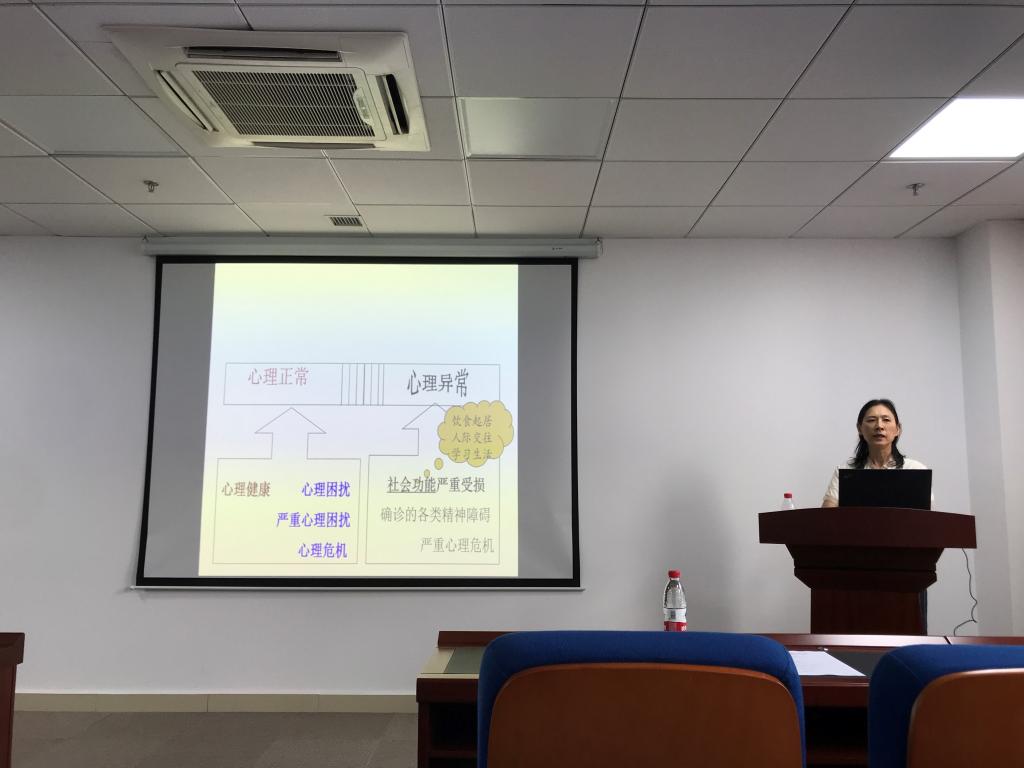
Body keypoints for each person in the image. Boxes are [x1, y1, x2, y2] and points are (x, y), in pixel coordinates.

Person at [821, 398, 928, 508]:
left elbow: (927, 516)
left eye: (886, 420)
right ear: (859, 428)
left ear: (898, 429)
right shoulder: (846, 470)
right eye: (871, 420)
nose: (879, 426)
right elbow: (827, 514)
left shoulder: (916, 470)